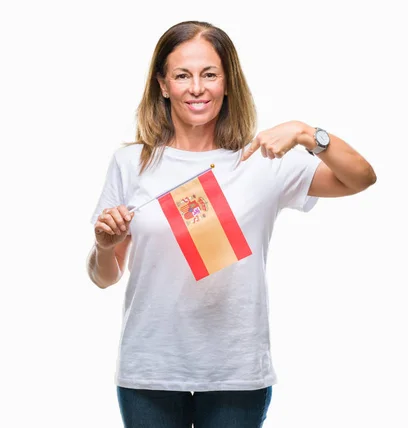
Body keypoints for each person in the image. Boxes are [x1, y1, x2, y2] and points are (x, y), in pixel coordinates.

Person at [87, 20, 376, 428]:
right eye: (182, 75)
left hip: (237, 373)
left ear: (227, 82)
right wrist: (103, 245)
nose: (197, 88)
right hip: (150, 369)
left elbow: (360, 178)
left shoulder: (263, 160)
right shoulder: (130, 163)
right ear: (163, 85)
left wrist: (306, 133)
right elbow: (103, 278)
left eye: (210, 74)